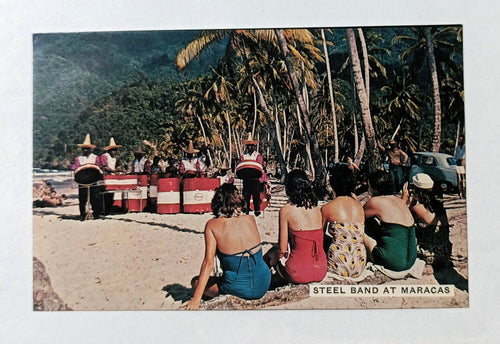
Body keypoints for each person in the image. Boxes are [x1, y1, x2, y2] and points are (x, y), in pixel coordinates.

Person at [185, 183, 271, 310]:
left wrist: (196, 299)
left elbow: (209, 264)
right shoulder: (250, 219)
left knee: (195, 282)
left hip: (238, 289)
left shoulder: (212, 225)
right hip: (264, 283)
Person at [264, 169, 327, 284]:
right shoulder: (317, 209)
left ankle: (262, 278)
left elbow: (282, 249)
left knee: (273, 252)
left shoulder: (286, 211)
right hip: (321, 270)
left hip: (297, 272)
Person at [363, 170, 417, 272]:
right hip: (411, 260)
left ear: (374, 189)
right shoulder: (399, 201)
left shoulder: (375, 202)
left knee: (357, 228)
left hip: (392, 261)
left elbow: (357, 217)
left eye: (369, 186)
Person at [322, 164, 367, 278]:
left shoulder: (328, 207)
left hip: (337, 265)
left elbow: (318, 236)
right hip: (359, 265)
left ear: (333, 184)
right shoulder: (359, 207)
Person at [403, 173, 452, 267]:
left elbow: (403, 218)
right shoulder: (438, 205)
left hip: (429, 254)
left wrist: (404, 200)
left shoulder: (418, 208)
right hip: (444, 252)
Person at [71, 134, 103, 221]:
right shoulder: (78, 158)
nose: (85, 150)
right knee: (82, 198)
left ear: (90, 149)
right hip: (83, 180)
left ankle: (96, 214)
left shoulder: (96, 157)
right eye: (84, 148)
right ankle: (82, 214)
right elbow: (75, 168)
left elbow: (99, 168)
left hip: (93, 179)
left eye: (87, 148)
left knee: (95, 197)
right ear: (82, 149)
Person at [239, 133, 265, 216]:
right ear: (246, 146)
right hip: (246, 179)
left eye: (251, 145)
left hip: (255, 178)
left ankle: (257, 210)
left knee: (256, 195)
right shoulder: (243, 156)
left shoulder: (258, 155)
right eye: (248, 145)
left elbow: (260, 165)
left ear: (254, 146)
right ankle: (245, 209)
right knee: (246, 195)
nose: (250, 147)